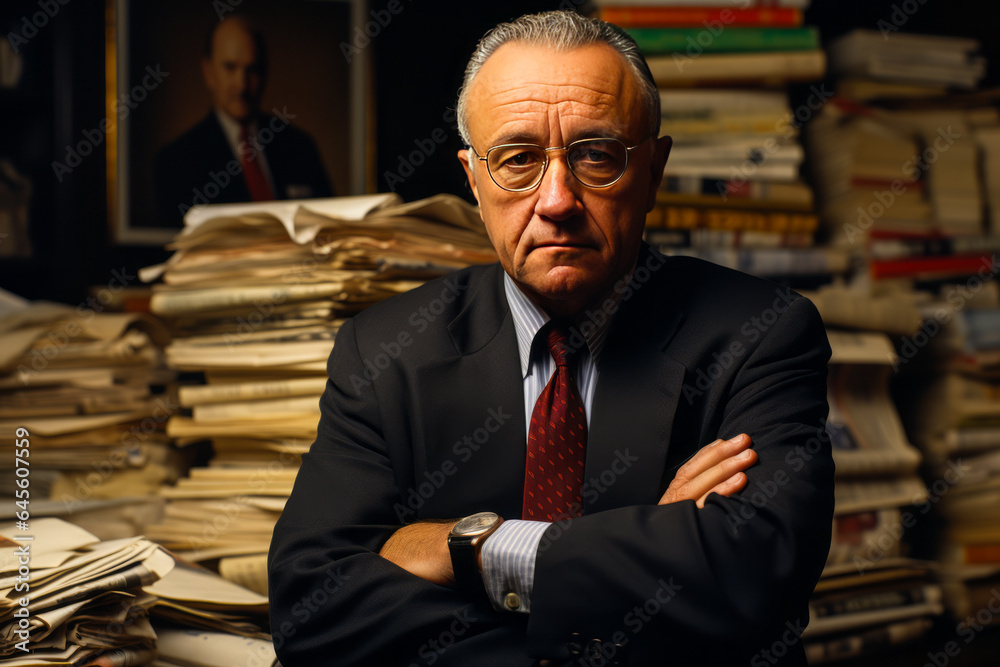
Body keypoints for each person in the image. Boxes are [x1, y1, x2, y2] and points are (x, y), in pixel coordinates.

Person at [268, 10, 833, 666]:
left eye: (597, 155)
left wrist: (474, 547)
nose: (558, 198)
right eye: (518, 159)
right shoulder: (384, 351)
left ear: (654, 170)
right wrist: (649, 552)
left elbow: (753, 577)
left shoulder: (761, 332)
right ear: (473, 180)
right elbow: (311, 604)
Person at [152, 15, 333, 228]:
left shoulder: (300, 148)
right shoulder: (176, 162)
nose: (242, 85)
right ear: (209, 72)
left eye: (252, 70)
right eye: (230, 67)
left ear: (265, 73)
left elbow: (329, 230)